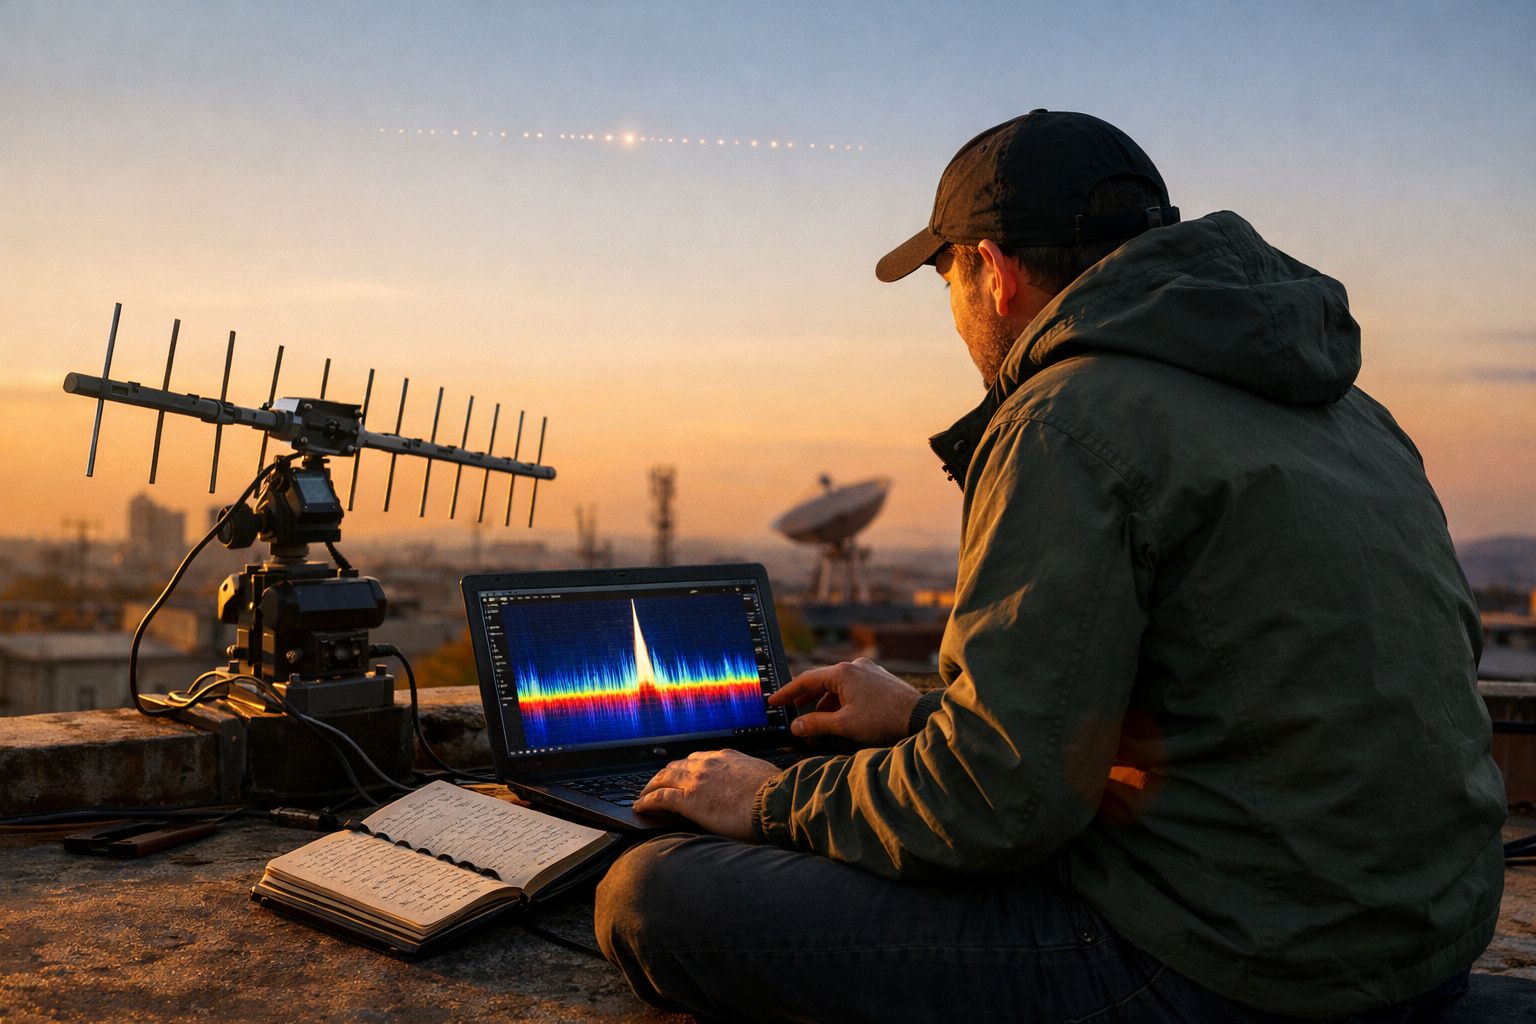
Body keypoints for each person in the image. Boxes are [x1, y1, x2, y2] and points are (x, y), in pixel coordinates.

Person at [593, 110, 1507, 1022]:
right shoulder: (1353, 410)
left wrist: (775, 800)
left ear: (990, 272)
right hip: (1418, 947)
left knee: (653, 896)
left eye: (945, 278)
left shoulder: (1063, 421)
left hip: (1238, 969)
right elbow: (1227, 700)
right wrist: (922, 714)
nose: (952, 314)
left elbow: (999, 804)